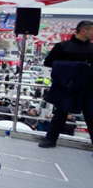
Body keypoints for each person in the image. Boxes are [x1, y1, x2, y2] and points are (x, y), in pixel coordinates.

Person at [38, 20, 93, 149]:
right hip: (68, 86)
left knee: (91, 115)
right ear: (83, 31)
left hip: (88, 87)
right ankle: (50, 140)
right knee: (60, 114)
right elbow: (49, 62)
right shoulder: (63, 46)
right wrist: (74, 67)